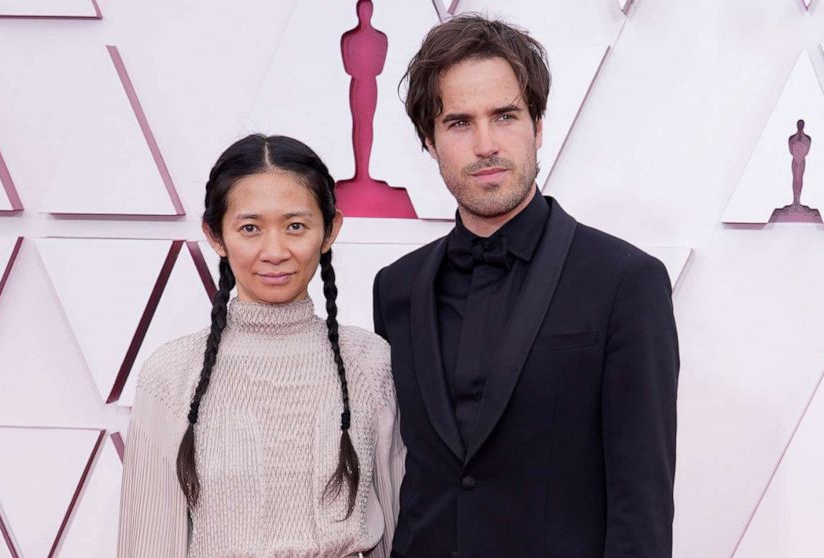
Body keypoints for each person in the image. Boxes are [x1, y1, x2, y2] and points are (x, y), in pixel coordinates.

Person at [373, 15, 679, 557]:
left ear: (537, 126)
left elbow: (641, 506)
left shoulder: (625, 282)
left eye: (505, 116)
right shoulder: (396, 289)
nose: (486, 144)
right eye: (459, 123)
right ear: (429, 140)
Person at [118, 134, 404, 558]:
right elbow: (148, 546)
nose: (275, 252)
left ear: (330, 231)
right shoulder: (172, 375)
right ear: (216, 236)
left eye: (295, 226)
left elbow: (400, 530)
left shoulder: (369, 362)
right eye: (250, 228)